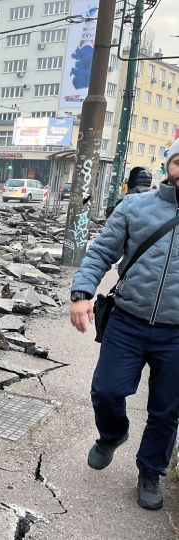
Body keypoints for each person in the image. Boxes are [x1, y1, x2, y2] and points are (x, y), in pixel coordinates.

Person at [69, 140, 179, 511]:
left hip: (177, 334)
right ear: (168, 166)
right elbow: (102, 252)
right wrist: (82, 293)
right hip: (128, 322)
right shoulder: (135, 206)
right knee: (106, 391)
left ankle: (150, 471)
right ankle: (112, 435)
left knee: (166, 410)